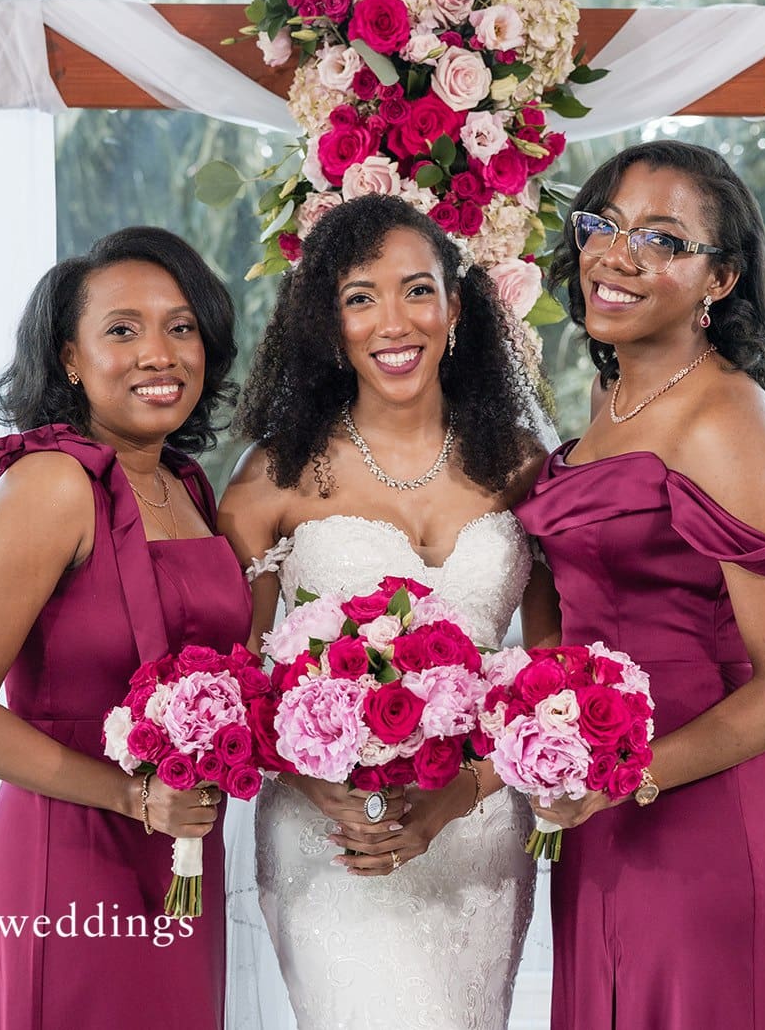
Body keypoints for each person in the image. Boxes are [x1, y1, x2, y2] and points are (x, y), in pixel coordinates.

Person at [513, 139, 765, 1028]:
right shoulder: (609, 400)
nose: (615, 256)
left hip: (704, 815)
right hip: (606, 810)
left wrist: (627, 777)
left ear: (719, 281)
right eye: (603, 226)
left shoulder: (728, 423)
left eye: (660, 238)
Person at [219, 193, 554, 1030]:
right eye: (359, 296)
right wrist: (319, 782)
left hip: (478, 839)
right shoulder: (275, 478)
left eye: (416, 289)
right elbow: (237, 681)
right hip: (330, 839)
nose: (391, 321)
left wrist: (460, 796)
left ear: (455, 306)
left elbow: (552, 669)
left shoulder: (523, 464)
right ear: (329, 325)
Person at [0, 226, 249, 1029]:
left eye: (181, 326)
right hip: (73, 853)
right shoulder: (52, 483)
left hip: (181, 848)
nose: (158, 352)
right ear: (69, 357)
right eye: (122, 329)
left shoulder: (189, 487)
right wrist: (135, 796)